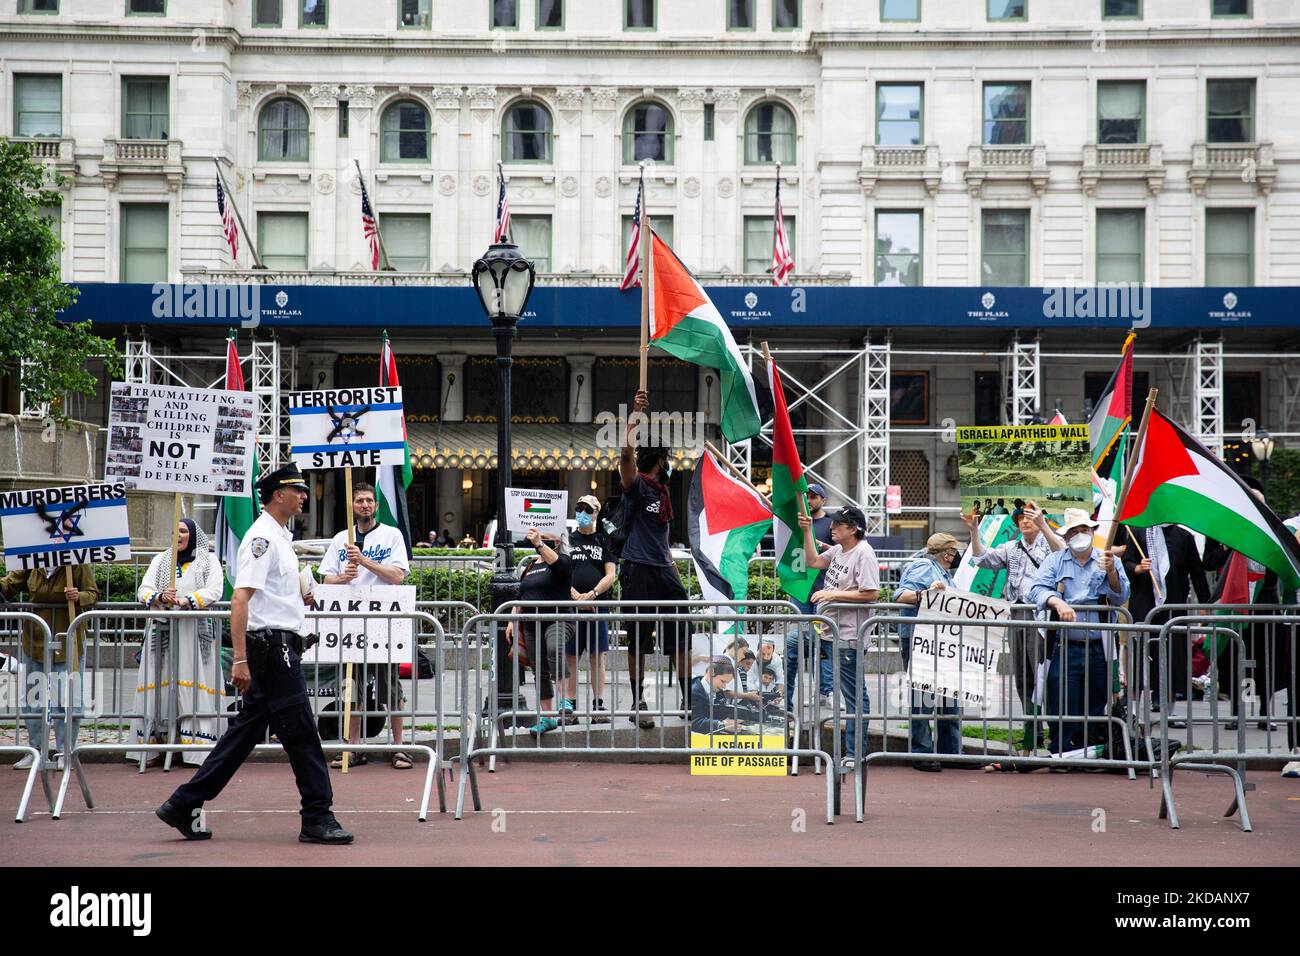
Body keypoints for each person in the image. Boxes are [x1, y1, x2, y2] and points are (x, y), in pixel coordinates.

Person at [156, 463, 352, 844]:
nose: (304, 496)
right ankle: (317, 815)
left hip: (277, 646)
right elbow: (240, 599)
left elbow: (270, 593)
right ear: (279, 495)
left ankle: (184, 802)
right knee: (302, 735)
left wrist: (300, 591)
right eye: (297, 491)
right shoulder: (261, 537)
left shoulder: (278, 534)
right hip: (273, 649)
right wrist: (241, 659)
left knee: (243, 735)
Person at [317, 481, 411, 770]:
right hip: (350, 625)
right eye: (360, 501)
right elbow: (325, 580)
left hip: (384, 623)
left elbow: (398, 576)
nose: (365, 505)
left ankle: (398, 746)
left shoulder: (391, 535)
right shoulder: (339, 539)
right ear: (353, 506)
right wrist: (342, 577)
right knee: (351, 688)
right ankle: (353, 747)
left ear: (376, 505)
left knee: (390, 689)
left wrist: (365, 561)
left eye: (369, 500)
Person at [1028, 508, 1130, 763]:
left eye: (1083, 529)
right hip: (1065, 646)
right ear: (1066, 536)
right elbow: (1037, 589)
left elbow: (1121, 596)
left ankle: (1089, 752)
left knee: (1097, 700)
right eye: (1073, 531)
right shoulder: (1055, 560)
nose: (1079, 535)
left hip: (1100, 646)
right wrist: (1056, 602)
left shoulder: (1108, 559)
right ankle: (1061, 752)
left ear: (1092, 532)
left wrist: (1111, 573)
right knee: (1062, 699)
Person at [963, 500, 1064, 747]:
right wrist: (974, 530)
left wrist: (1045, 525)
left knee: (1043, 674)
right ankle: (1033, 731)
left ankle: (1057, 732)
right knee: (1023, 676)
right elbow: (982, 558)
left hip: (1041, 616)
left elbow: (1062, 554)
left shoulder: (1050, 542)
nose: (1025, 521)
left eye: (1030, 517)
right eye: (1021, 518)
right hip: (1016, 614)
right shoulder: (1011, 547)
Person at [618, 389, 689, 729]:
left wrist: (674, 570)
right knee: (639, 637)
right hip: (637, 570)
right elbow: (625, 452)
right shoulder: (637, 485)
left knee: (681, 633)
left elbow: (661, 539)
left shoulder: (663, 494)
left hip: (664, 568)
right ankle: (638, 701)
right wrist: (634, 413)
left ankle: (689, 699)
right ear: (660, 461)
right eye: (668, 459)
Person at [128, 518, 225, 767]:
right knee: (157, 683)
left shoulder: (207, 560)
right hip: (161, 631)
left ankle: (196, 748)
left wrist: (187, 601)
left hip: (194, 632)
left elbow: (215, 590)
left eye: (182, 531)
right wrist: (160, 596)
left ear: (192, 534)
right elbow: (143, 589)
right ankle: (153, 746)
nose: (178, 535)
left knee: (192, 683)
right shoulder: (161, 560)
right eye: (174, 531)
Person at [797, 506, 880, 768]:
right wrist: (807, 530)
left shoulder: (864, 553)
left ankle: (855, 754)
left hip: (849, 636)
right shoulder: (838, 550)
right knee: (792, 644)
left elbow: (871, 593)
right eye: (832, 523)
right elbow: (812, 561)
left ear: (853, 528)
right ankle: (780, 708)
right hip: (828, 631)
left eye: (838, 524)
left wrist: (831, 594)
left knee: (854, 696)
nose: (832, 528)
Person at [1, 554, 99, 771]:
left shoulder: (76, 563)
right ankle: (35, 751)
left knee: (67, 698)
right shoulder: (31, 562)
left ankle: (66, 751)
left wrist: (79, 596)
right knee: (33, 698)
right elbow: (9, 584)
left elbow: (93, 593)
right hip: (35, 639)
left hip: (67, 640)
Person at [1121, 523, 1210, 724]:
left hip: (1174, 608)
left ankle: (1169, 712)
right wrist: (1137, 568)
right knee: (1140, 660)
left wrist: (1205, 604)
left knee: (1172, 660)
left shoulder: (1184, 536)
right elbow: (1126, 563)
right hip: (1144, 607)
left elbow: (1196, 571)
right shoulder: (1138, 533)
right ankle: (1134, 713)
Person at [896, 533, 966, 771]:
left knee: (949, 698)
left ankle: (951, 752)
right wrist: (925, 594)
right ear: (947, 554)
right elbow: (901, 595)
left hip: (941, 642)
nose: (957, 556)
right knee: (923, 699)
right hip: (921, 639)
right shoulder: (924, 566)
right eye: (955, 551)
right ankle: (922, 751)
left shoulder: (944, 573)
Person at [506, 526, 572, 735]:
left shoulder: (563, 562)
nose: (540, 539)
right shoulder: (531, 566)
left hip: (558, 618)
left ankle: (565, 701)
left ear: (558, 541)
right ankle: (547, 717)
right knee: (539, 669)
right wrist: (512, 620)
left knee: (554, 650)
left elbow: (558, 566)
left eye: (546, 537)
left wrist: (539, 544)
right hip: (531, 622)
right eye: (539, 536)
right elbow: (522, 594)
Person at [563, 495, 616, 724]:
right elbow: (559, 569)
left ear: (596, 514)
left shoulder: (604, 540)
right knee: (571, 658)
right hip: (571, 608)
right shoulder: (567, 540)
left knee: (597, 658)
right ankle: (570, 707)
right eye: (579, 508)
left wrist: (593, 594)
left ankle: (598, 706)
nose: (582, 513)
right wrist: (574, 595)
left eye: (587, 509)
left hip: (597, 607)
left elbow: (611, 574)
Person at [786, 483, 834, 714]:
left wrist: (823, 546)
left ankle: (825, 692)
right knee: (801, 643)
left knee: (823, 643)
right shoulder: (795, 522)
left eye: (814, 497)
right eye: (807, 496)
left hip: (823, 591)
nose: (810, 500)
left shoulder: (832, 524)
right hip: (801, 591)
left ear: (823, 500)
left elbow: (842, 552)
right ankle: (791, 697)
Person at [690, 656, 741, 735]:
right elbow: (695, 722)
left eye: (726, 683)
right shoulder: (694, 692)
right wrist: (721, 724)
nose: (724, 686)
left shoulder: (718, 691)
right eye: (723, 681)